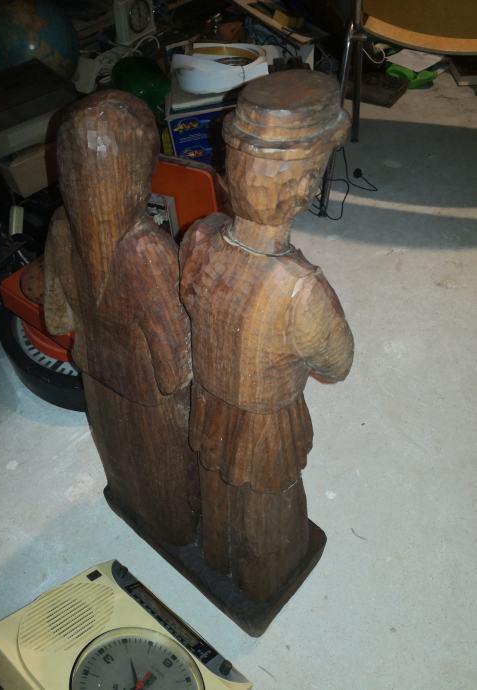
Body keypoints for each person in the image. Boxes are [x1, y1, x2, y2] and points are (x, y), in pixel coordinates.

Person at [180, 71, 354, 600]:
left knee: (217, 485)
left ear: (230, 173)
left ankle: (217, 554)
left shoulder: (200, 238)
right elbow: (338, 364)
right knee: (268, 506)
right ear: (304, 187)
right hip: (265, 425)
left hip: (210, 404)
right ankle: (264, 580)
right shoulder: (301, 290)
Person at [44, 90, 199, 546]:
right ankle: (176, 530)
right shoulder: (147, 251)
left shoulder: (59, 225)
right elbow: (177, 369)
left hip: (96, 376)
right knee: (166, 480)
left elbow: (56, 317)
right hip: (151, 396)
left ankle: (140, 511)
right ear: (138, 175)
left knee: (120, 459)